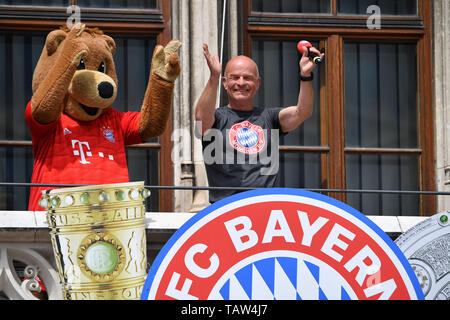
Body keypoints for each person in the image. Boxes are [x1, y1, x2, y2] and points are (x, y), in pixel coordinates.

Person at [195, 43, 324, 203]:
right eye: (235, 77)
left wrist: (305, 75)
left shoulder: (269, 117)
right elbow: (200, 120)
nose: (241, 83)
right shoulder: (217, 118)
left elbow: (302, 112)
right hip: (225, 209)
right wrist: (213, 77)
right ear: (225, 83)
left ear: (258, 83)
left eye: (248, 78)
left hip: (264, 207)